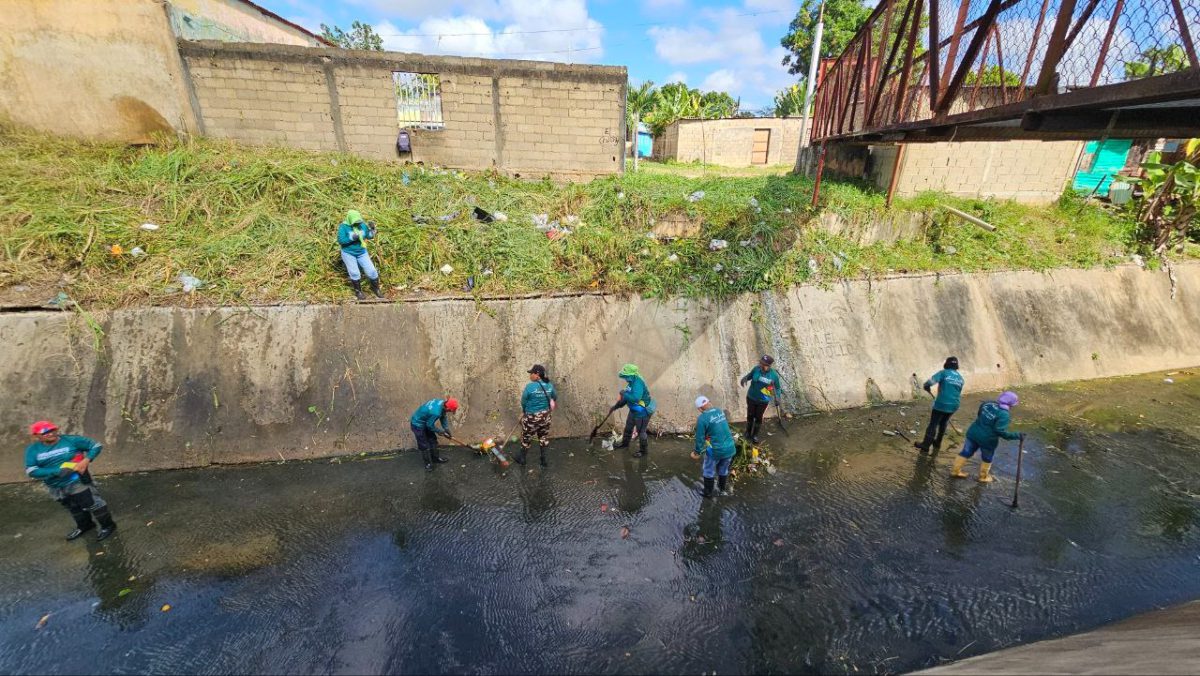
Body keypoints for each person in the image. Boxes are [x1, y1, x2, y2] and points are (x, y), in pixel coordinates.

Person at [23, 421, 117, 541]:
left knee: (93, 504)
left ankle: (108, 526)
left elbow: (96, 446)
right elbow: (31, 470)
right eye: (45, 433)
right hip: (55, 486)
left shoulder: (71, 440)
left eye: (52, 430)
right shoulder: (32, 450)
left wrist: (86, 460)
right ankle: (85, 526)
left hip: (77, 481)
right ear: (36, 435)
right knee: (73, 507)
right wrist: (57, 471)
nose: (50, 434)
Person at [951, 391, 1023, 483]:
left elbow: (979, 414)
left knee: (966, 452)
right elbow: (1000, 431)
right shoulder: (1004, 414)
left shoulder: (988, 403)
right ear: (1010, 404)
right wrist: (1017, 435)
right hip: (987, 440)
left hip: (973, 433)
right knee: (987, 458)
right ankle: (983, 477)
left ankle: (955, 471)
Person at [915, 357, 964, 454]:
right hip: (954, 405)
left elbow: (930, 382)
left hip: (942, 403)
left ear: (947, 364)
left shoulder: (944, 373)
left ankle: (925, 445)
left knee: (933, 423)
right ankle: (937, 443)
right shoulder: (960, 378)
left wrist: (926, 386)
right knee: (944, 422)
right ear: (956, 366)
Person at [691, 396, 736, 498]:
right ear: (709, 402)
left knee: (708, 471)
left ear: (699, 409)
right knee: (723, 470)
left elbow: (700, 438)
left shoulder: (702, 418)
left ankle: (708, 493)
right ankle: (722, 490)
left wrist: (697, 452)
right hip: (730, 448)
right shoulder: (719, 410)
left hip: (716, 451)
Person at [609, 363, 656, 457]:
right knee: (628, 428)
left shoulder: (638, 383)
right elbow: (626, 398)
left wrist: (623, 393)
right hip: (634, 410)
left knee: (641, 432)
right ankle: (625, 444)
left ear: (631, 375)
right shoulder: (630, 383)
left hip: (642, 412)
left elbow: (635, 398)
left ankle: (643, 451)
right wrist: (616, 406)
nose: (625, 378)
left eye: (626, 376)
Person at [337, 209, 383, 300]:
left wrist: (373, 231)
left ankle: (376, 288)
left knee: (372, 271)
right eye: (355, 222)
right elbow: (341, 241)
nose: (357, 224)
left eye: (358, 222)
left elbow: (367, 235)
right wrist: (352, 238)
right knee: (354, 272)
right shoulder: (343, 227)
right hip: (348, 253)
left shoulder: (361, 225)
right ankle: (358, 291)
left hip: (362, 252)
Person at [517, 364, 557, 467]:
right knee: (543, 437)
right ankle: (543, 460)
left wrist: (524, 411)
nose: (530, 375)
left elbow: (523, 401)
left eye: (532, 373)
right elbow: (554, 397)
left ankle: (522, 459)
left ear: (537, 375)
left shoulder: (530, 386)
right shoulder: (549, 385)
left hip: (532, 417)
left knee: (526, 437)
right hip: (545, 417)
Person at [739, 354, 782, 443]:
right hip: (751, 397)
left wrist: (777, 398)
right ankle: (747, 432)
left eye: (763, 364)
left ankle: (754, 435)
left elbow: (777, 388)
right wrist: (745, 378)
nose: (761, 365)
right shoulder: (756, 369)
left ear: (768, 366)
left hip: (763, 400)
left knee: (758, 417)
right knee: (750, 415)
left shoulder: (773, 375)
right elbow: (750, 375)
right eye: (760, 363)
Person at [411, 398, 458, 472]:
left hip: (425, 421)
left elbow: (443, 416)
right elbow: (430, 425)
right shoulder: (436, 412)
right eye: (450, 410)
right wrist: (441, 432)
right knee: (424, 445)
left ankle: (435, 458)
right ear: (447, 408)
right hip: (418, 424)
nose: (450, 412)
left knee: (433, 440)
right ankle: (428, 464)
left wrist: (446, 429)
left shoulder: (442, 403)